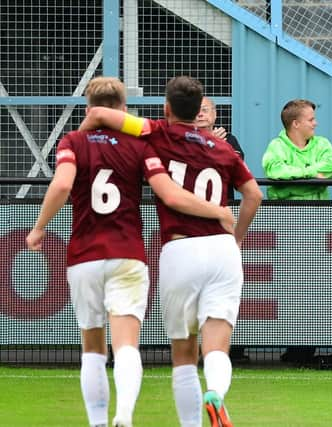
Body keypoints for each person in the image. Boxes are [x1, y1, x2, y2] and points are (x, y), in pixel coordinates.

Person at [26, 76, 235, 427]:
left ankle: (97, 423)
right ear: (124, 109)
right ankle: (124, 415)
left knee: (93, 348)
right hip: (127, 252)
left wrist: (39, 227)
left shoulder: (73, 141)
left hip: (83, 255)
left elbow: (62, 183)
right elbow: (168, 193)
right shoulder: (141, 148)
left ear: (89, 108)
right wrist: (218, 211)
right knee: (126, 346)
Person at [80, 76, 263, 427]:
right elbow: (254, 195)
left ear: (167, 108)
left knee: (183, 354)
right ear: (200, 112)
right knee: (217, 345)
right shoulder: (222, 148)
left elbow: (103, 114)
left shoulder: (156, 132)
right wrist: (236, 235)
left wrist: (84, 138)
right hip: (223, 250)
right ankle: (217, 394)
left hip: (180, 248)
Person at [262, 99, 332, 200]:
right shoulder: (276, 146)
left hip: (319, 212)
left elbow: (331, 167)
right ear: (296, 124)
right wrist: (310, 174)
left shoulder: (322, 144)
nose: (316, 123)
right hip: (284, 213)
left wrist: (287, 186)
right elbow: (276, 171)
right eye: (311, 120)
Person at [196, 97, 244, 202]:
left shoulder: (229, 140)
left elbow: (236, 169)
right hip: (193, 206)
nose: (200, 114)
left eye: (204, 110)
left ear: (215, 114)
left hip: (223, 206)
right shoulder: (183, 140)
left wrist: (218, 146)